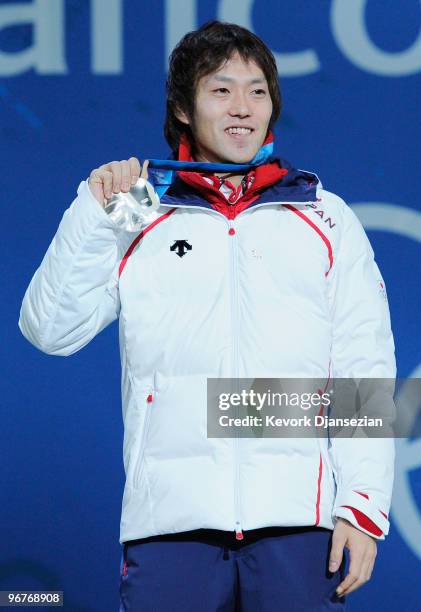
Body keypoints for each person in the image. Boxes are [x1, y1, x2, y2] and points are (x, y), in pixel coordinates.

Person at [19, 20, 396, 612]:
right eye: (221, 90)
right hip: (170, 525)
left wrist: (364, 506)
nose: (242, 108)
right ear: (183, 109)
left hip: (298, 525)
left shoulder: (323, 215)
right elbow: (49, 331)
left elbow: (363, 369)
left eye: (257, 91)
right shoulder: (139, 206)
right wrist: (92, 211)